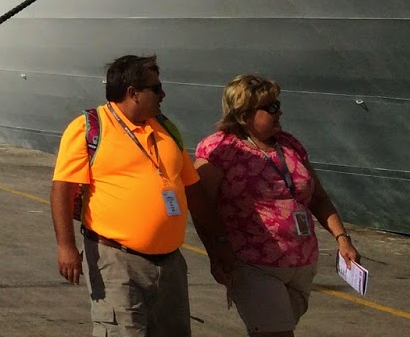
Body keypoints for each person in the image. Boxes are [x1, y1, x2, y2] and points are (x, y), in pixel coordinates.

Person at [51, 54, 230, 336]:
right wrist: (66, 247)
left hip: (170, 264)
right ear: (133, 93)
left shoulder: (166, 129)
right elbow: (63, 189)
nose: (163, 94)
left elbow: (193, 191)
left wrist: (217, 244)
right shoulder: (89, 128)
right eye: (156, 88)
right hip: (116, 260)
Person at [194, 74, 361, 336]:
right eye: (271, 107)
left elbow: (317, 197)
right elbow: (201, 206)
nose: (279, 112)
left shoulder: (289, 144)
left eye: (278, 104)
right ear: (245, 114)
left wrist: (342, 238)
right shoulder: (220, 148)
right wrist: (217, 251)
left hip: (301, 265)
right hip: (253, 263)